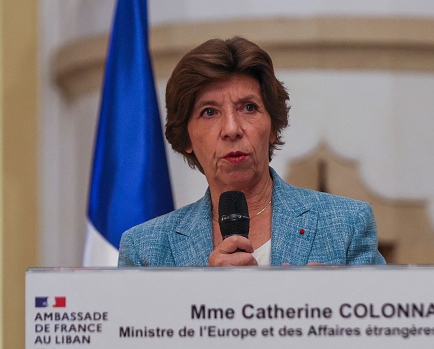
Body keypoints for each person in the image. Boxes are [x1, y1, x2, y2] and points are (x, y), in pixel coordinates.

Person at [118, 37, 385, 267]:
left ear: (272, 126)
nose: (232, 129)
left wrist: (333, 300)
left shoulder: (347, 225)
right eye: (209, 112)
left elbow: (383, 320)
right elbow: (136, 327)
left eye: (248, 108)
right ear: (186, 136)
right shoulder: (145, 249)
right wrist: (203, 291)